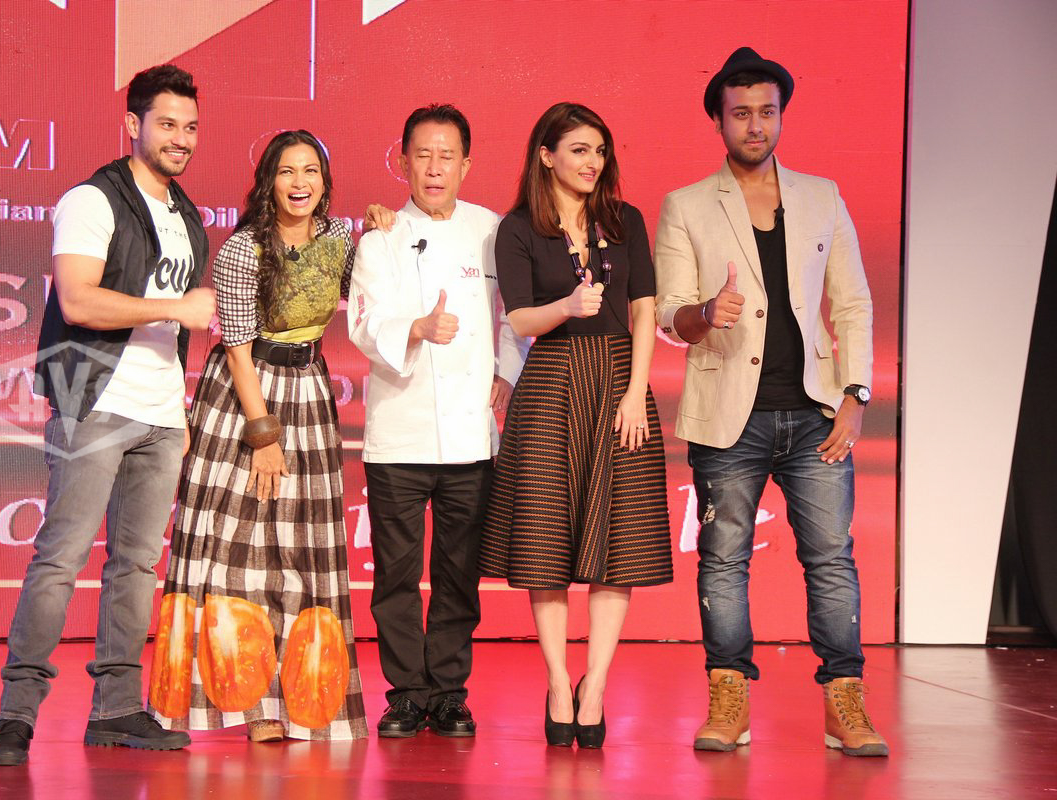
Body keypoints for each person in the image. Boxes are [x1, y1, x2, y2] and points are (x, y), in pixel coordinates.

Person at [653, 47, 887, 757]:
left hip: (816, 412)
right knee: (724, 561)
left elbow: (852, 303)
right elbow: (667, 316)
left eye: (766, 112)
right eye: (741, 114)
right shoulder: (687, 205)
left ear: (780, 115)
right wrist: (704, 313)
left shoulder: (822, 196)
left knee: (832, 559)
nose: (755, 125)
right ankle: (729, 699)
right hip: (730, 416)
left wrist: (856, 394)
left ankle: (845, 704)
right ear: (718, 122)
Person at [0, 64, 215, 766]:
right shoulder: (91, 199)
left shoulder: (186, 214)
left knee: (136, 566)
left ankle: (116, 709)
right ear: (133, 125)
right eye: (167, 124)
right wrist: (175, 307)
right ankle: (16, 715)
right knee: (60, 558)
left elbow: (174, 324)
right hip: (93, 400)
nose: (181, 139)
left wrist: (178, 395)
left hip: (160, 412)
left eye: (190, 127)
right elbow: (79, 300)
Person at [147, 129, 366, 742]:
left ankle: (299, 702)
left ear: (324, 182)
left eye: (310, 171)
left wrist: (382, 229)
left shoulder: (339, 239)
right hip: (246, 397)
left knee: (302, 548)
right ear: (268, 181)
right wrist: (263, 434)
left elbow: (372, 295)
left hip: (309, 391)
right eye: (287, 171)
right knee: (234, 547)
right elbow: (239, 351)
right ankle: (245, 704)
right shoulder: (244, 249)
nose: (300, 183)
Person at [479, 102, 673, 749]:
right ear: (547, 155)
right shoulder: (518, 228)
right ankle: (560, 682)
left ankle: (597, 685)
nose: (593, 162)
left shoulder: (625, 220)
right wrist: (566, 304)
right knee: (546, 543)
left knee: (618, 545)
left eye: (600, 151)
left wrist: (636, 392)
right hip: (551, 383)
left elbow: (643, 310)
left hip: (618, 381)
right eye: (580, 150)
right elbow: (519, 320)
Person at [347, 104, 529, 738]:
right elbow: (364, 324)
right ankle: (406, 693)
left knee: (458, 573)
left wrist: (507, 371)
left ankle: (449, 691)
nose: (433, 167)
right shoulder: (380, 238)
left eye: (446, 156)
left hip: (471, 433)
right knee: (396, 576)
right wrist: (417, 328)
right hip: (398, 433)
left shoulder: (492, 230)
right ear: (402, 161)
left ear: (466, 165)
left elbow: (513, 314)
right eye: (422, 154)